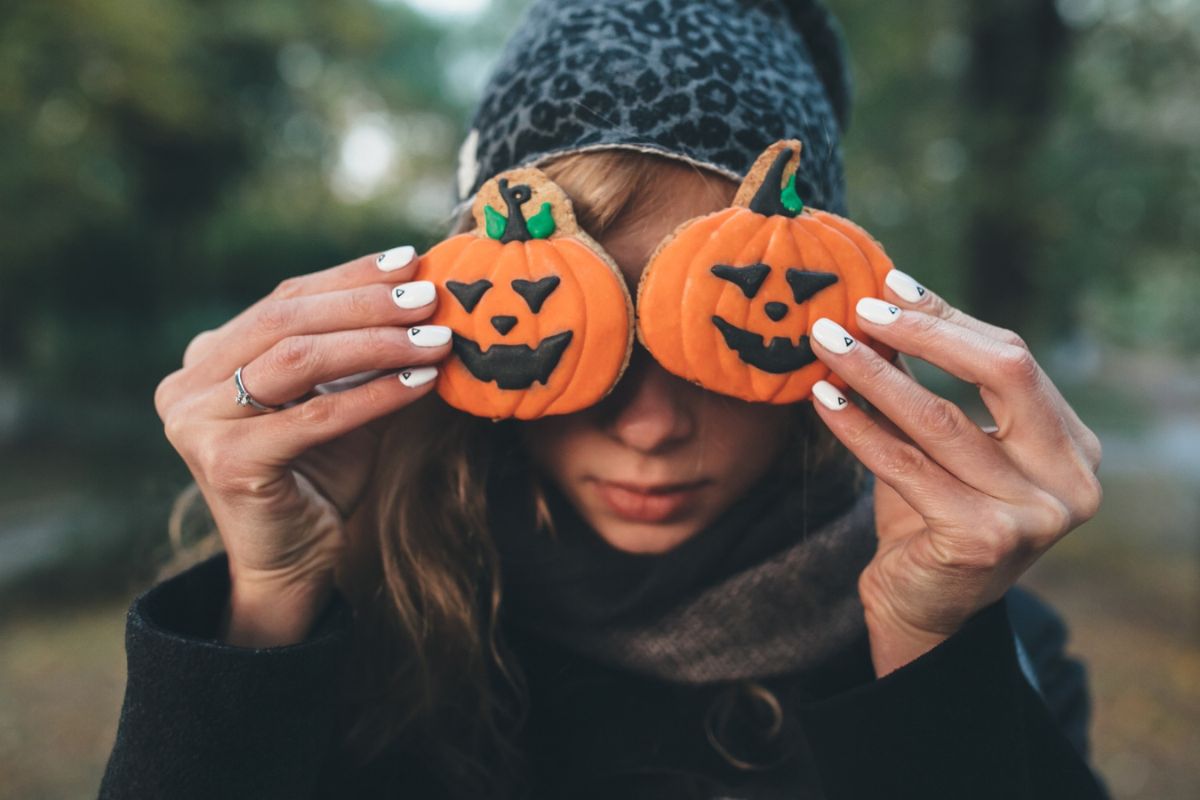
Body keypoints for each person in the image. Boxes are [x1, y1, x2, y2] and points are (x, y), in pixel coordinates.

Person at [99, 1, 1108, 798]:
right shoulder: (361, 626)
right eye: (586, 337)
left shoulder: (992, 641)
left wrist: (929, 655)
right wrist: (270, 600)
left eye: (709, 339)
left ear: (833, 335)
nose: (651, 424)